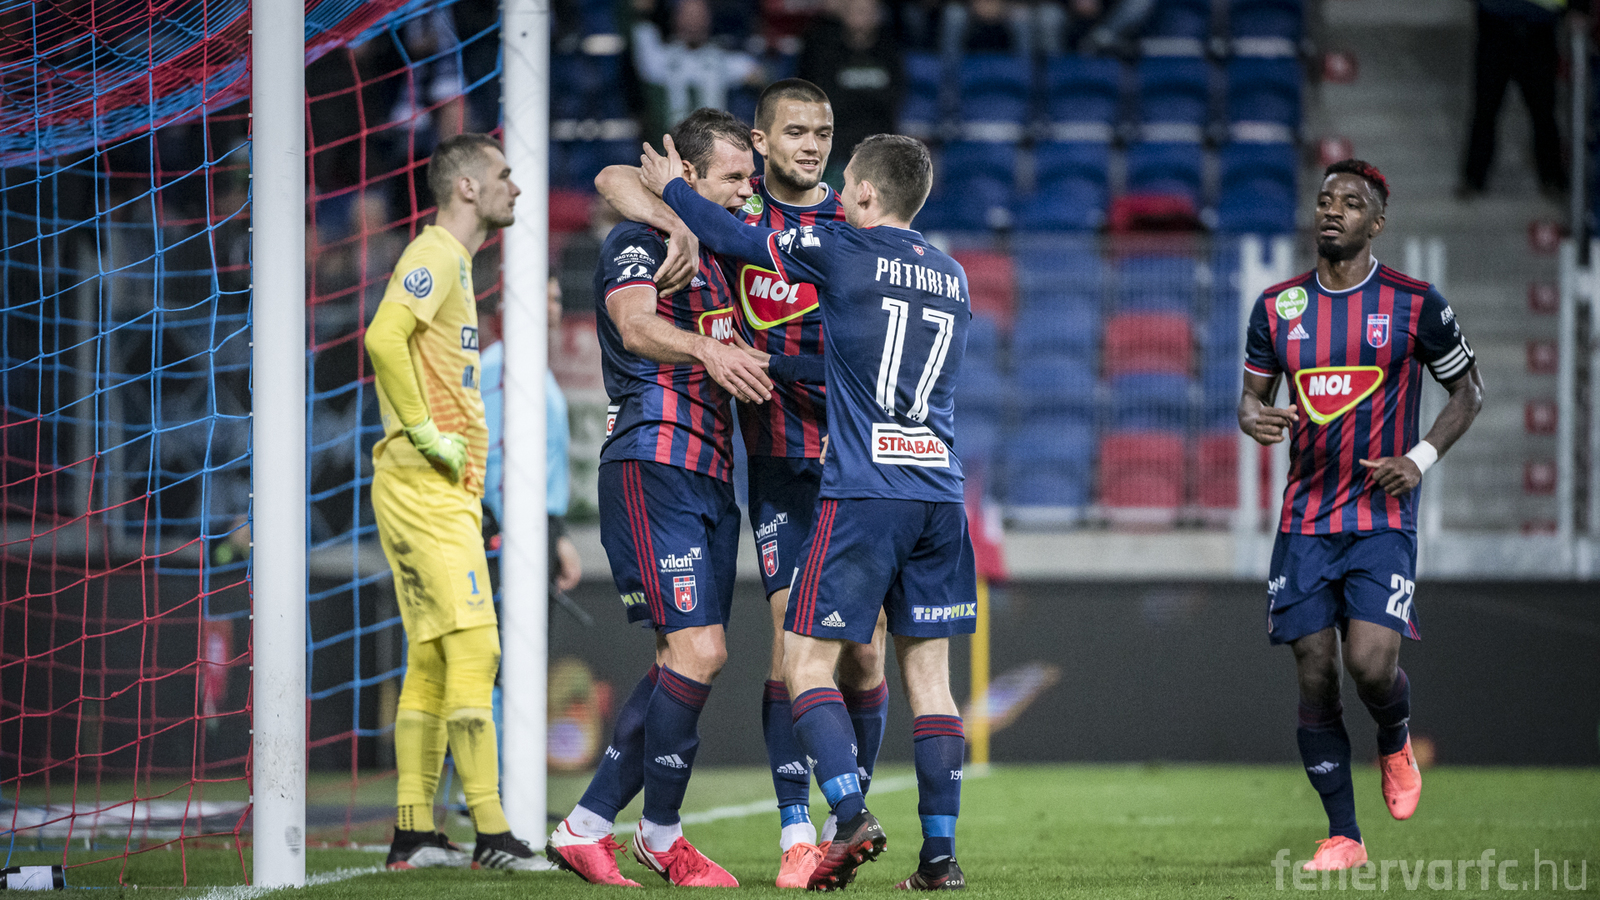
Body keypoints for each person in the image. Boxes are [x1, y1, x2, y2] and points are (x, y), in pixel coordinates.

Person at [643, 132, 977, 891]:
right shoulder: (953, 275)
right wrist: (780, 364)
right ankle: (940, 860)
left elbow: (739, 239)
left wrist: (674, 190)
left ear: (865, 194)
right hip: (941, 491)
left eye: (847, 183)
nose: (839, 193)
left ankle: (847, 815)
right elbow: (859, 360)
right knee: (932, 681)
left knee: (802, 661)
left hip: (866, 492)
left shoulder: (846, 249)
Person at [594, 79, 893, 890]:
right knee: (793, 645)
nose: (812, 145)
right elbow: (616, 177)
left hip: (857, 460)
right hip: (778, 463)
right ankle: (798, 833)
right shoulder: (734, 206)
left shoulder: (855, 220)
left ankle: (843, 821)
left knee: (864, 655)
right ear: (761, 143)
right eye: (795, 131)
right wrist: (672, 218)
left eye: (823, 132)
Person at [543, 108, 772, 889]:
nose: (747, 192)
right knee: (700, 652)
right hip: (653, 460)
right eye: (734, 178)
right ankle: (659, 834)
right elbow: (636, 324)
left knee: (685, 659)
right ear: (688, 176)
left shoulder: (721, 249)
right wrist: (707, 342)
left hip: (712, 476)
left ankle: (589, 827)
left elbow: (621, 178)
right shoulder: (639, 242)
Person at [1238, 160, 1484, 872]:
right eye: (1325, 200)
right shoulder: (1277, 307)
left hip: (1381, 516)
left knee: (1371, 666)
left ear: (1376, 223)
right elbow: (1252, 398)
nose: (1332, 210)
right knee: (1315, 673)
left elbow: (1468, 391)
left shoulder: (1415, 303)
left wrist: (1420, 458)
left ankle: (1394, 736)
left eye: (1350, 203)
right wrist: (1253, 416)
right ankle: (1344, 835)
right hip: (1306, 519)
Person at [364, 133, 546, 870]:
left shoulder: (454, 263)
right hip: (424, 484)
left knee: (434, 658)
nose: (516, 187)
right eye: (504, 174)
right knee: (477, 647)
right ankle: (493, 834)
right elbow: (383, 338)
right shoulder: (436, 253)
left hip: (436, 488)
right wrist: (425, 434)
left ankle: (413, 831)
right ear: (467, 186)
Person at [1458, 0, 1578, 199]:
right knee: (1486, 109)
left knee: (1543, 112)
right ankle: (1474, 178)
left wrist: (1578, 8)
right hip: (1497, 25)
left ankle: (1552, 177)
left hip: (1537, 29)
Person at [796, 3, 903, 188]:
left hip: (879, 147)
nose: (861, 18)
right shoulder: (824, 50)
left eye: (867, 11)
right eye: (855, 11)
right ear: (844, 14)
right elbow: (824, 100)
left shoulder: (890, 50)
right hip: (835, 147)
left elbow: (894, 97)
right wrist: (869, 97)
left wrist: (854, 97)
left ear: (878, 16)